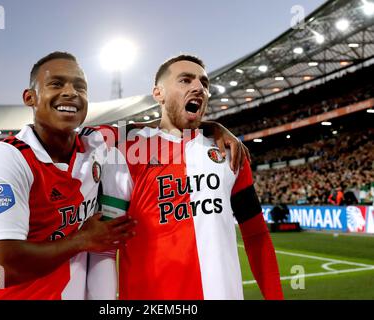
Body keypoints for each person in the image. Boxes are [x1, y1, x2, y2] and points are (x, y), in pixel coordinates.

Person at [0, 52, 248, 300]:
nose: (70, 93)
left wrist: (210, 126)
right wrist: (81, 240)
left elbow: (159, 127)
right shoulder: (6, 159)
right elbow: (0, 268)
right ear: (30, 97)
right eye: (56, 84)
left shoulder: (96, 145)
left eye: (80, 87)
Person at [99, 54, 283, 299]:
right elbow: (105, 249)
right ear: (158, 94)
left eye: (204, 83)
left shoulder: (231, 154)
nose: (198, 87)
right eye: (185, 80)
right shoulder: (125, 154)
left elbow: (256, 235)